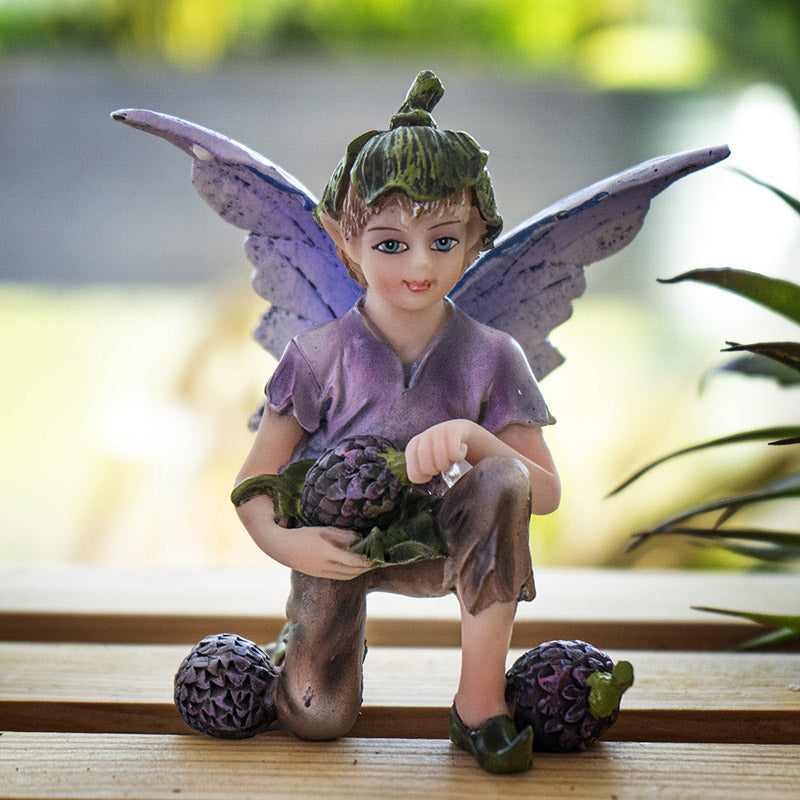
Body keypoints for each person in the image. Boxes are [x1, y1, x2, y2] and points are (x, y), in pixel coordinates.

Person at [213, 71, 559, 773]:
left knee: (503, 481)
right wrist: (291, 545)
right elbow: (254, 483)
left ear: (478, 240)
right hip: (340, 542)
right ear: (345, 240)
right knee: (316, 717)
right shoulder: (318, 356)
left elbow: (543, 493)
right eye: (391, 243)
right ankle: (305, 653)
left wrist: (475, 440)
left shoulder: (493, 355)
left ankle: (480, 703)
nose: (420, 265)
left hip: (453, 537)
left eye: (444, 240)